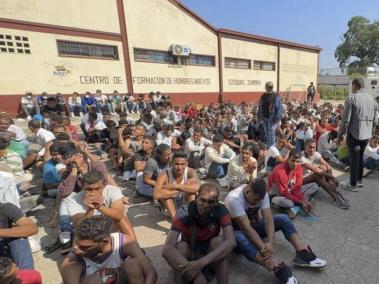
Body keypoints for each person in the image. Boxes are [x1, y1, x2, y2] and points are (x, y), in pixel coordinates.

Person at [225, 179, 327, 284]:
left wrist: (270, 242)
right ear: (247, 192)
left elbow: (268, 218)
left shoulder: (261, 194)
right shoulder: (234, 199)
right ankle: (277, 267)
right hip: (236, 234)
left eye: (259, 201)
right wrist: (265, 250)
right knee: (240, 238)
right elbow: (247, 229)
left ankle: (302, 254)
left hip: (253, 226)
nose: (257, 203)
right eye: (256, 200)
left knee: (282, 218)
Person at [162, 183, 236, 284]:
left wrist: (201, 263)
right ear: (196, 198)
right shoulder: (184, 212)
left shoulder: (221, 210)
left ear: (217, 202)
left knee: (218, 242)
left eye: (210, 202)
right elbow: (167, 249)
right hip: (190, 253)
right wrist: (197, 275)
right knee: (181, 247)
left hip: (208, 254)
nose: (205, 205)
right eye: (202, 200)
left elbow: (231, 242)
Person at [59, 215, 157, 284]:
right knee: (93, 281)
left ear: (105, 241)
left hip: (122, 280)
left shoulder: (124, 242)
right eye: (76, 243)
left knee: (133, 265)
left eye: (84, 247)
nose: (75, 249)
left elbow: (151, 273)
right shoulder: (70, 262)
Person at [338, 78, 378, 191]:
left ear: (355, 86)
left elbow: (345, 120)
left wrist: (340, 135)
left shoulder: (351, 98)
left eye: (352, 86)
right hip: (366, 135)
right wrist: (371, 132)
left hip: (354, 134)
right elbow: (375, 120)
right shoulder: (372, 100)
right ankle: (359, 181)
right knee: (360, 157)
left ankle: (352, 184)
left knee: (354, 159)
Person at [268, 150, 319, 218]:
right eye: (292, 160)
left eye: (297, 161)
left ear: (300, 162)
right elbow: (284, 193)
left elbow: (297, 188)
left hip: (290, 190)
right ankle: (276, 204)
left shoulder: (299, 168)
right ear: (288, 159)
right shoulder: (280, 171)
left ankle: (302, 202)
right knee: (290, 204)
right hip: (277, 193)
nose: (295, 164)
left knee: (314, 186)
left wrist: (304, 200)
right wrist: (300, 203)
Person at [301, 139, 349, 209]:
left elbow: (328, 166)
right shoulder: (301, 156)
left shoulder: (315, 154)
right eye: (310, 147)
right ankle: (335, 197)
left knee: (323, 167)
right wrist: (333, 177)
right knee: (316, 175)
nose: (312, 150)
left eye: (314, 147)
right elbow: (316, 170)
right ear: (305, 147)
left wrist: (330, 180)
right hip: (300, 181)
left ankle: (335, 192)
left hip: (309, 177)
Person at [153, 152, 200, 220]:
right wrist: (184, 187)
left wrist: (175, 186)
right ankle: (175, 221)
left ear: (187, 164)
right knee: (165, 195)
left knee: (192, 193)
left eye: (182, 164)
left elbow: (198, 188)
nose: (179, 167)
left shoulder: (191, 172)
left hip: (185, 203)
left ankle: (192, 218)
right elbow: (156, 195)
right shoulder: (164, 174)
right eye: (177, 164)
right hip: (169, 208)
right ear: (171, 163)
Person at [0, 202, 39, 270]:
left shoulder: (5, 208)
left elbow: (32, 228)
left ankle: (27, 275)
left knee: (19, 237)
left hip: (5, 248)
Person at [257, 81, 283, 147]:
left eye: (270, 87)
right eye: (268, 87)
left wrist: (277, 118)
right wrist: (259, 116)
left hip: (272, 118)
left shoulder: (275, 96)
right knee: (267, 133)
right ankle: (269, 146)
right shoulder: (263, 96)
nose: (269, 88)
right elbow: (260, 106)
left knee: (271, 134)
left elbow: (279, 108)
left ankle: (272, 148)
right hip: (264, 118)